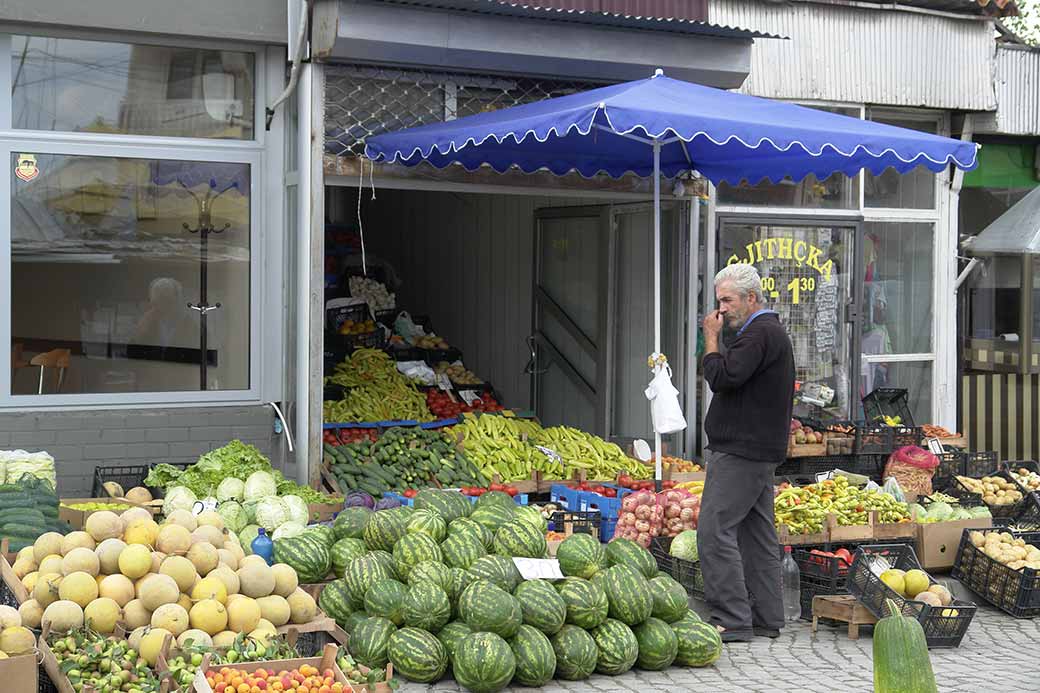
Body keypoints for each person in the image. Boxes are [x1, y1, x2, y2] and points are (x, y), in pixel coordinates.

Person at [697, 263, 796, 642]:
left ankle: (732, 619)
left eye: (728, 300)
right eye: (719, 301)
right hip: (758, 450)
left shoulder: (758, 334)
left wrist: (711, 339)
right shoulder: (768, 332)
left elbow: (722, 378)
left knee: (714, 531)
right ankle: (767, 617)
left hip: (741, 451)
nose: (721, 310)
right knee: (757, 534)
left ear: (751, 297)